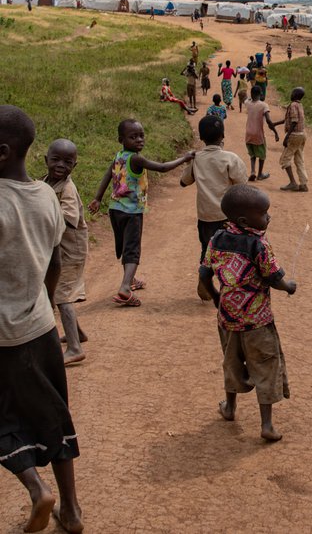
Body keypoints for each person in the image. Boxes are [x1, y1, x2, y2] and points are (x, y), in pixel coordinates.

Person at [0, 105, 84, 534]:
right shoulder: (46, 197)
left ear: (1, 152)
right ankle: (70, 509)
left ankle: (37, 489)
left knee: (5, 418)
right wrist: (45, 305)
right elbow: (53, 261)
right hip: (40, 326)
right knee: (55, 412)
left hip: (4, 337)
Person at [199, 184, 297, 442]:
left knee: (231, 363)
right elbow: (274, 278)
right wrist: (289, 287)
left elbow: (204, 273)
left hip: (228, 318)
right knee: (265, 366)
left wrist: (215, 296)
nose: (268, 217)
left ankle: (230, 408)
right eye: (264, 213)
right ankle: (266, 425)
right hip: (257, 322)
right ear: (244, 220)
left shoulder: (216, 239)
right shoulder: (259, 244)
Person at [88, 119, 194, 306]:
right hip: (131, 212)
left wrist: (98, 198)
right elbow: (162, 168)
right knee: (132, 250)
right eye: (133, 137)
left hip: (115, 209)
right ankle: (125, 288)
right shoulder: (136, 159)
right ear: (121, 139)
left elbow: (107, 175)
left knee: (125, 246)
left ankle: (131, 279)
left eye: (141, 136)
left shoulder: (119, 155)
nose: (139, 140)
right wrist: (184, 158)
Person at [182, 115, 248, 297]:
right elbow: (242, 185)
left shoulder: (197, 158)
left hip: (205, 216)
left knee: (207, 248)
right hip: (228, 216)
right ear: (223, 135)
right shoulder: (231, 158)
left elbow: (184, 181)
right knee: (231, 251)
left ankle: (205, 279)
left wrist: (189, 161)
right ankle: (230, 286)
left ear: (201, 138)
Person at [43, 139, 89, 365]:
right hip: (59, 251)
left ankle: (74, 348)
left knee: (62, 296)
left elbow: (69, 220)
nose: (61, 165)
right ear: (46, 160)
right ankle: (77, 333)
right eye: (56, 160)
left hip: (71, 252)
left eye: (67, 162)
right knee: (59, 292)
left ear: (75, 166)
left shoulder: (68, 189)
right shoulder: (44, 184)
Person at [272, 87, 308, 192]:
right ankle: (303, 184)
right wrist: (275, 124)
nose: (291, 94)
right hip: (302, 134)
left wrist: (286, 137)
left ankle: (293, 183)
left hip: (295, 135)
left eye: (293, 92)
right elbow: (289, 119)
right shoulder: (300, 105)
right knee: (299, 159)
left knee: (285, 159)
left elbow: (294, 121)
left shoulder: (292, 105)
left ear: (295, 95)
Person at [244, 86, 277, 182]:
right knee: (262, 155)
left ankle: (253, 171)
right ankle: (260, 174)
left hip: (248, 133)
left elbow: (246, 99)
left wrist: (250, 96)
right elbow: (268, 120)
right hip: (258, 134)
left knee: (252, 154)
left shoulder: (248, 103)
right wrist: (275, 132)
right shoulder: (264, 105)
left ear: (251, 93)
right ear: (261, 93)